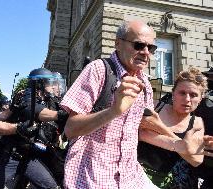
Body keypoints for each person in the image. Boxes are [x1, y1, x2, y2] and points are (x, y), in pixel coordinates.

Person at [60, 20, 158, 188]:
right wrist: (114, 111)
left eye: (151, 48)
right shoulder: (98, 70)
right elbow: (70, 129)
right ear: (118, 44)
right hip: (93, 179)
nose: (146, 52)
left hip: (130, 178)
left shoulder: (145, 82)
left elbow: (142, 129)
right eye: (139, 45)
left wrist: (178, 144)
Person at [0, 68, 69, 189]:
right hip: (12, 156)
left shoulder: (49, 100)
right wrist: (61, 115)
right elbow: (37, 112)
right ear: (40, 83)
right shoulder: (25, 97)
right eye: (51, 84)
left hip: (30, 157)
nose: (55, 87)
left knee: (51, 186)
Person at [138, 67, 206, 188]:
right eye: (182, 93)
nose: (187, 99)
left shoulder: (196, 123)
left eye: (194, 95)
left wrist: (160, 127)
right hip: (137, 174)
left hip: (168, 182)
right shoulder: (154, 107)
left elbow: (196, 160)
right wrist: (184, 147)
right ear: (173, 93)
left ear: (200, 99)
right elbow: (141, 135)